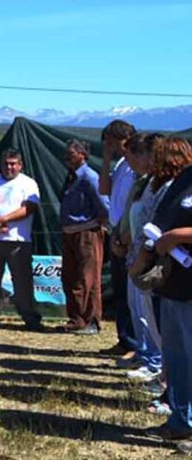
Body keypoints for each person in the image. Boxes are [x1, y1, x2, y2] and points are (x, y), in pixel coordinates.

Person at [141, 138, 192, 447]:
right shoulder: (184, 178)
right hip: (175, 282)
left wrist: (175, 236)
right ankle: (180, 419)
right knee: (177, 356)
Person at [0, 149, 43, 330]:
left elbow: (29, 207)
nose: (9, 167)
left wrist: (4, 219)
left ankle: (30, 317)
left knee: (22, 281)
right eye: (6, 163)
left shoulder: (28, 183)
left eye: (13, 163)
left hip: (18, 240)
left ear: (20, 165)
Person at [121, 133, 165, 386]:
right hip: (134, 254)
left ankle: (157, 364)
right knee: (140, 311)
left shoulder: (161, 185)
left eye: (134, 155)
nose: (130, 160)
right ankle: (149, 358)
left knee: (154, 319)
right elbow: (132, 214)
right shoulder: (144, 183)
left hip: (149, 259)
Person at [101, 120, 142, 357]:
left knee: (134, 294)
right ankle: (125, 338)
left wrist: (124, 234)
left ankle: (137, 344)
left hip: (128, 233)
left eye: (110, 142)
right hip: (116, 229)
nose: (109, 146)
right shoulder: (119, 164)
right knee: (121, 291)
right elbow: (104, 189)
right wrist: (106, 159)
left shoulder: (135, 166)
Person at [60, 139, 109, 335]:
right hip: (69, 232)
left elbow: (104, 205)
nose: (67, 158)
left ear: (83, 155)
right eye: (67, 155)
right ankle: (76, 318)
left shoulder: (89, 177)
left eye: (71, 154)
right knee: (70, 277)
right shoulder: (71, 176)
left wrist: (96, 225)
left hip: (87, 232)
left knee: (88, 278)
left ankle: (92, 320)